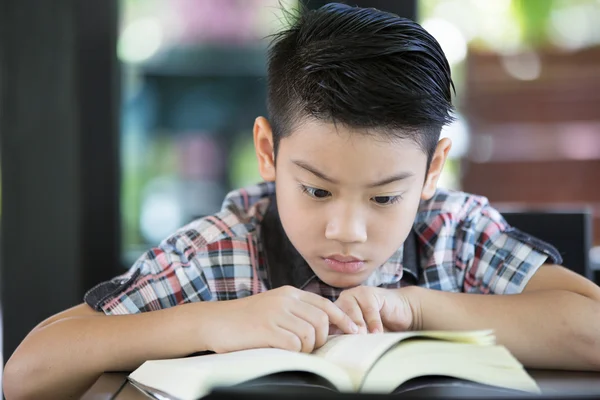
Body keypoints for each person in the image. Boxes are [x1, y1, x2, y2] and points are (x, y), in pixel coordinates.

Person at [4, 3, 600, 399]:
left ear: (431, 170)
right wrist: (214, 320)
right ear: (267, 151)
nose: (348, 230)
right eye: (316, 190)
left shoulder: (452, 233)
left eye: (385, 196)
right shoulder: (220, 251)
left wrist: (416, 310)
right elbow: (27, 373)